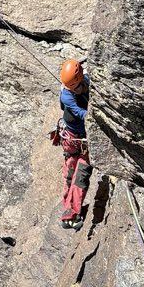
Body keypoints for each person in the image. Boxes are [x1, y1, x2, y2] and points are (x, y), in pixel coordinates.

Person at [52, 59, 91, 228]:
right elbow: (78, 112)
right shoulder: (66, 94)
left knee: (80, 174)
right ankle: (68, 209)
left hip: (79, 137)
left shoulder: (88, 81)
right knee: (70, 173)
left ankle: (72, 211)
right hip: (74, 137)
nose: (72, 89)